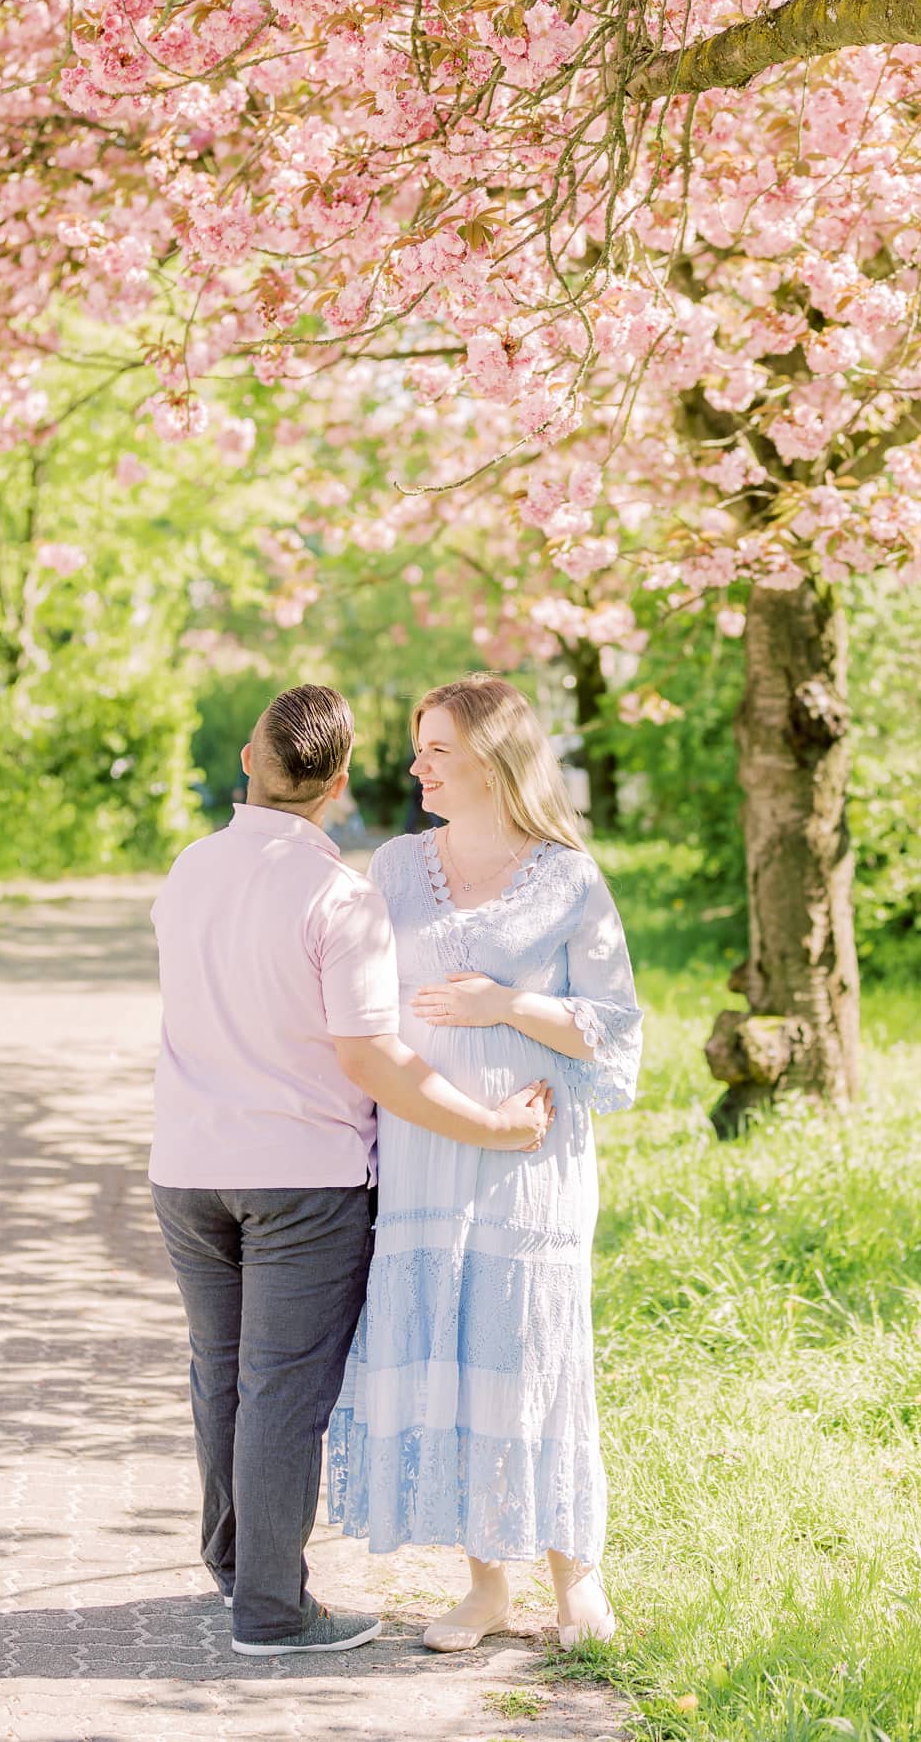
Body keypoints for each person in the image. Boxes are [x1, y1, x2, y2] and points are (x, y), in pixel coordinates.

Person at [148, 684, 554, 1659]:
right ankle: (272, 1612)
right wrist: (492, 1126)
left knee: (222, 1378)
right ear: (335, 786)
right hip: (303, 1184)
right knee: (282, 1389)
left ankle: (236, 1568)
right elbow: (371, 1059)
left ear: (252, 762)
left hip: (187, 1171)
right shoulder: (341, 899)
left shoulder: (188, 871)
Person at [328, 674, 643, 1652]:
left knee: (532, 1354)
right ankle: (484, 1587)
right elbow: (364, 1012)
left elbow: (616, 1030)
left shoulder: (569, 878)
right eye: (419, 746)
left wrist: (505, 1005)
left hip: (530, 1161)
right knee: (455, 1355)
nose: (416, 765)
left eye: (437, 750)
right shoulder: (393, 867)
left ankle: (576, 1581)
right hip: (425, 1153)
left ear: (494, 761)